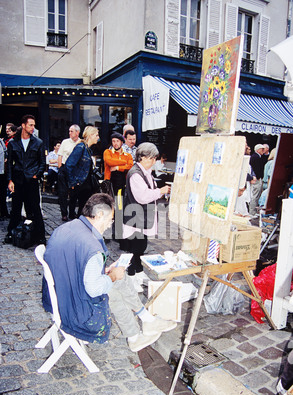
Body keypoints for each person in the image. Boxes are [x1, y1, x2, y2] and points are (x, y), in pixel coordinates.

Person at [42, 193, 176, 352]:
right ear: (99, 215)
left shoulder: (66, 228)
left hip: (57, 294)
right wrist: (112, 276)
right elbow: (94, 289)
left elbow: (73, 261)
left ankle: (145, 321)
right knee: (113, 289)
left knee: (117, 278)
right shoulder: (92, 246)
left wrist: (104, 272)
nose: (110, 224)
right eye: (110, 219)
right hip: (74, 308)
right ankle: (135, 335)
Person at [122, 142, 171, 292]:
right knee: (134, 247)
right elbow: (143, 196)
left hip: (142, 216)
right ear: (143, 157)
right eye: (152, 158)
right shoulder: (135, 174)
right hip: (135, 216)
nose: (154, 161)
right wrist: (160, 191)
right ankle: (131, 277)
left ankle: (139, 272)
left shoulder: (145, 171)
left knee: (141, 246)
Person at [4, 114, 46, 244]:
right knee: (16, 208)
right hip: (18, 180)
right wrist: (10, 180)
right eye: (30, 125)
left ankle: (40, 236)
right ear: (23, 125)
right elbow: (9, 163)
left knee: (35, 209)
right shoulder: (12, 143)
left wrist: (36, 175)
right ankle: (11, 234)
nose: (33, 128)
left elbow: (42, 163)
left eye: (34, 125)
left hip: (32, 181)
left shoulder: (38, 143)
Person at [65, 126, 99, 217]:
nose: (98, 137)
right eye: (96, 135)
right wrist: (72, 183)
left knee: (84, 209)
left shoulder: (88, 149)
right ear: (90, 135)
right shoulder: (80, 147)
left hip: (86, 184)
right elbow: (69, 165)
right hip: (81, 184)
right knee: (82, 210)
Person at [57, 124, 81, 221]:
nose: (69, 133)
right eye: (69, 131)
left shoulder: (81, 143)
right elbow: (60, 156)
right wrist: (60, 169)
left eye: (72, 131)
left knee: (74, 193)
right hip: (64, 169)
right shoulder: (65, 142)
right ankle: (64, 213)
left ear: (77, 132)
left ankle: (72, 212)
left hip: (75, 171)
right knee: (62, 193)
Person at [249, 144, 269, 215]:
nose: (263, 151)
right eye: (262, 149)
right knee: (255, 195)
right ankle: (252, 212)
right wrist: (258, 177)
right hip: (256, 179)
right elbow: (257, 169)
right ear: (258, 149)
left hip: (257, 178)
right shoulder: (256, 157)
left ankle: (253, 211)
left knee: (256, 195)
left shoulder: (258, 156)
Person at [0, 137, 9, 219]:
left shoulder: (2, 142)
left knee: (2, 193)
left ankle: (3, 211)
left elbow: (6, 152)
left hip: (2, 172)